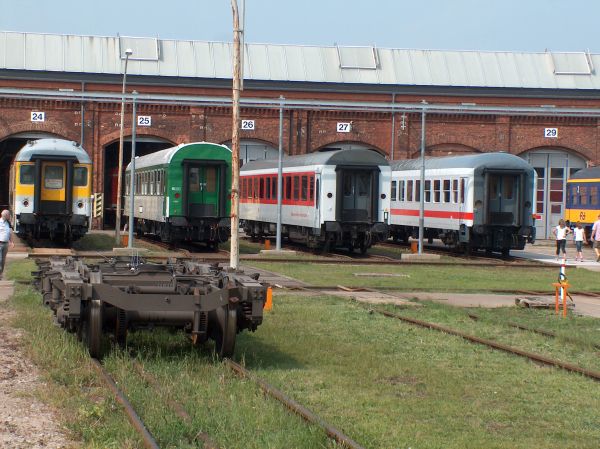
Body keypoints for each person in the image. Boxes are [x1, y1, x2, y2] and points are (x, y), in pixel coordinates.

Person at [0, 210, 14, 279]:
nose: (9, 216)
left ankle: (1, 274)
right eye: (9, 215)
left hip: (5, 244)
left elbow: (10, 233)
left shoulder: (8, 223)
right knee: (0, 259)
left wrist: (11, 242)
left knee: (3, 260)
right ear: (5, 215)